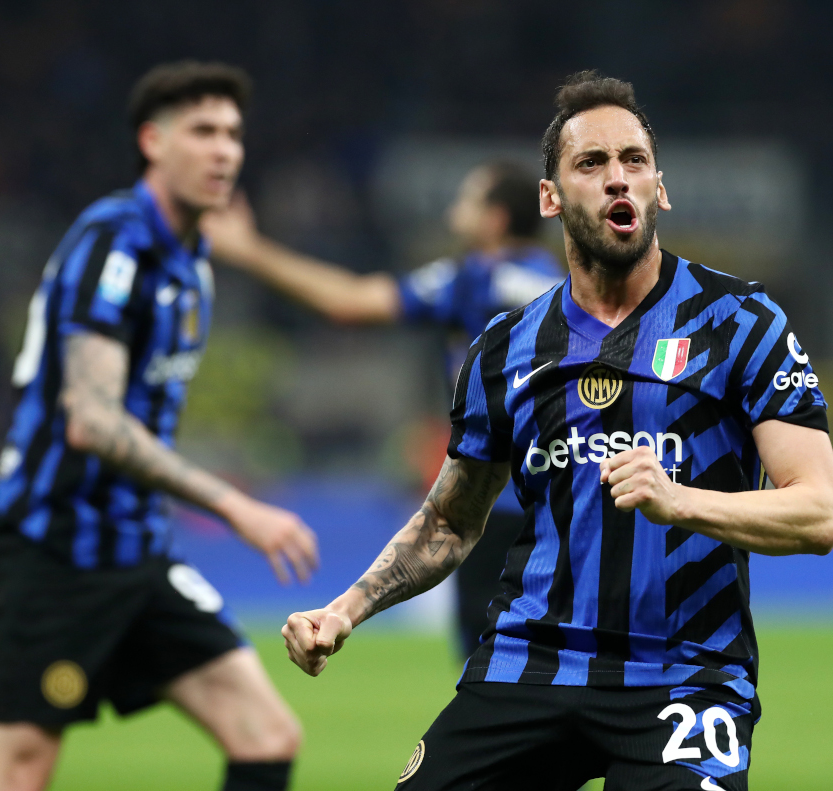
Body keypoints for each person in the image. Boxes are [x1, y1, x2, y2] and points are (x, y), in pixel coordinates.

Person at [281, 70, 833, 791]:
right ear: (550, 198)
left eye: (634, 161)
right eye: (592, 163)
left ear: (659, 189)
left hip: (685, 671)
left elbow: (819, 512)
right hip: (531, 662)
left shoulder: (742, 322)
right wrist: (344, 610)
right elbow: (451, 519)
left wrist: (681, 502)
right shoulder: (505, 346)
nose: (618, 179)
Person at [0, 62, 319, 791]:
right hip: (55, 549)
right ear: (153, 141)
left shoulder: (192, 261)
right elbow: (91, 423)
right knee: (15, 778)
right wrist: (235, 505)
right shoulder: (113, 243)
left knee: (267, 734)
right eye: (203, 132)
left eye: (233, 135)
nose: (225, 151)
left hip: (137, 550)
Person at [202, 160, 563, 659]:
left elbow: (349, 301)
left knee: (490, 677)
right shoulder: (565, 284)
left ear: (495, 219)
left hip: (493, 507)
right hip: (556, 495)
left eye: (467, 200)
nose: (454, 210)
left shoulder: (476, 279)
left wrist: (249, 250)